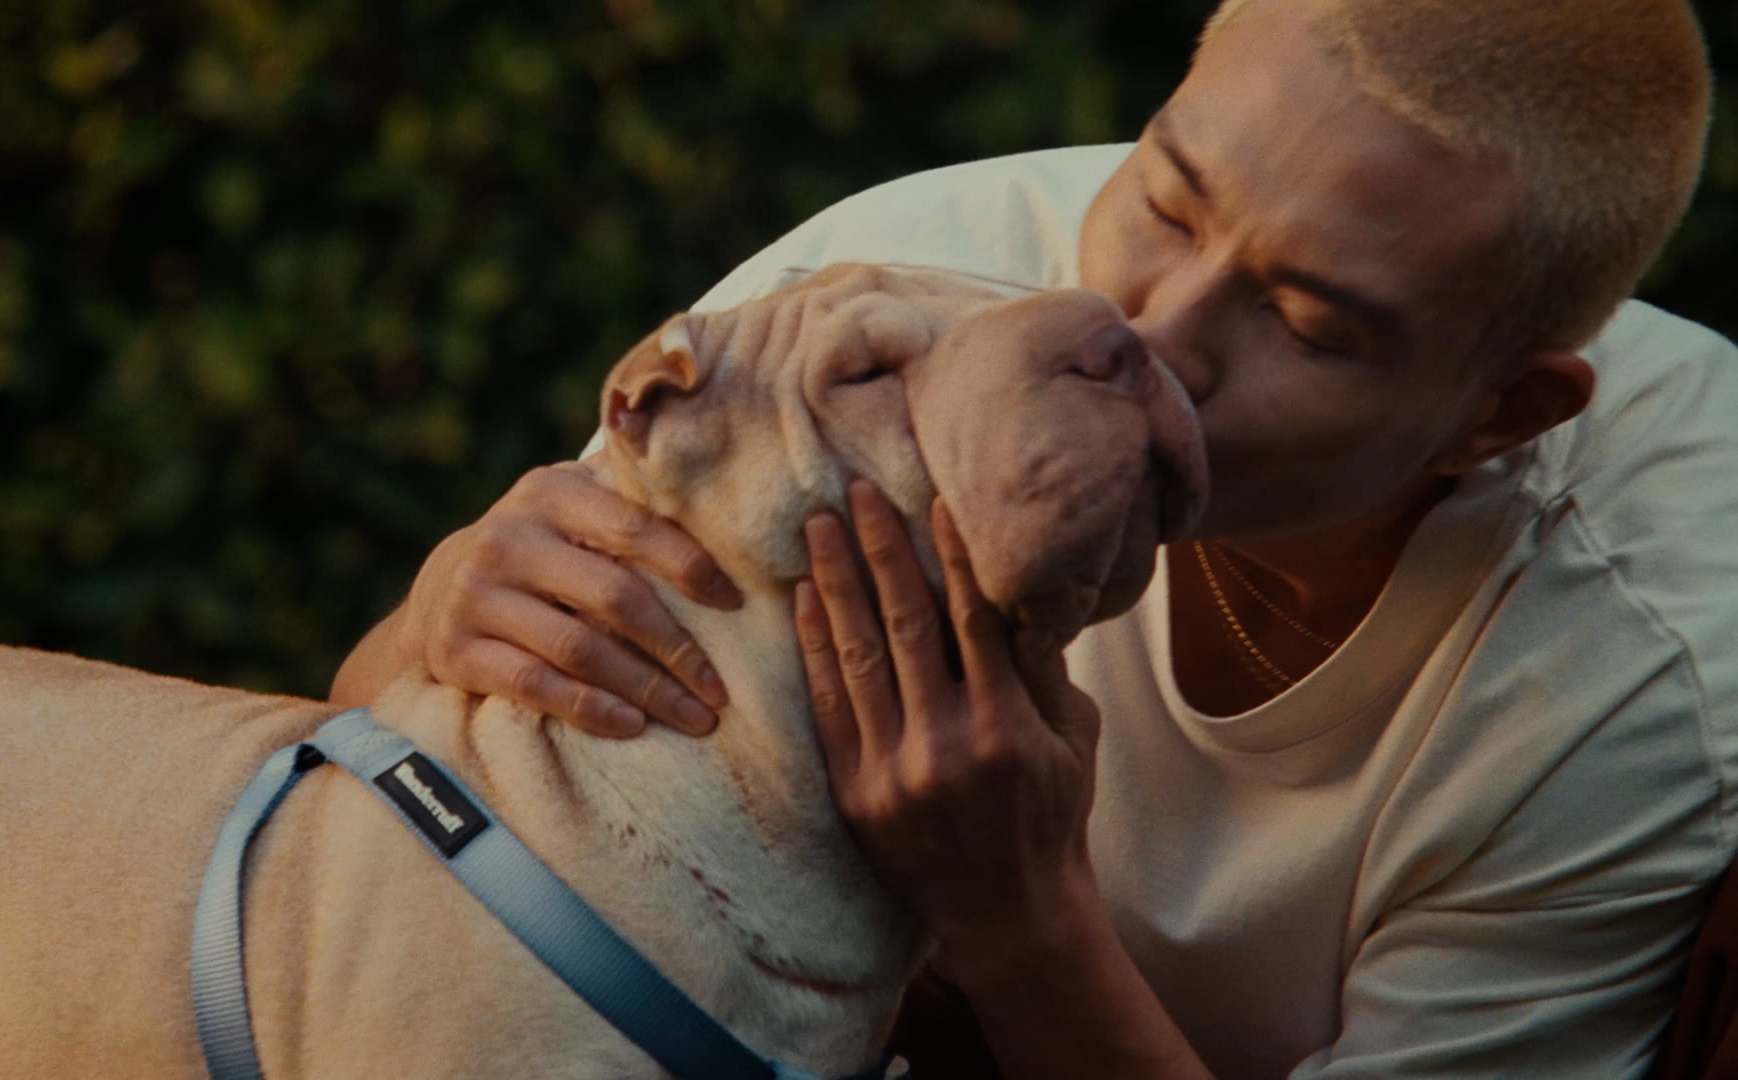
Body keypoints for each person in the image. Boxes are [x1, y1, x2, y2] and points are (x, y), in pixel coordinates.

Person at [331, 0, 1738, 1074]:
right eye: (1166, 199)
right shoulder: (889, 307)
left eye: (1306, 323)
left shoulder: (1641, 674)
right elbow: (365, 792)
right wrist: (445, 612)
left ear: (1498, 414)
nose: (1152, 333)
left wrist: (1021, 922)